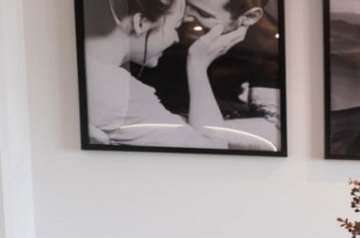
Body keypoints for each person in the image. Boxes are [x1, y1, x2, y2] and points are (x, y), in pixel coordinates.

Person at [83, 0, 249, 149]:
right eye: (175, 27)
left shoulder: (89, 70)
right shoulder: (117, 91)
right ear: (141, 22)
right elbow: (214, 147)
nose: (176, 38)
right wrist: (198, 64)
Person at [136, 0, 282, 150]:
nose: (184, 16)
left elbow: (273, 127)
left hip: (214, 115)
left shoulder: (270, 43)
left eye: (203, 13)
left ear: (250, 17)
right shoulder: (156, 14)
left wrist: (197, 63)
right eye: (186, 2)